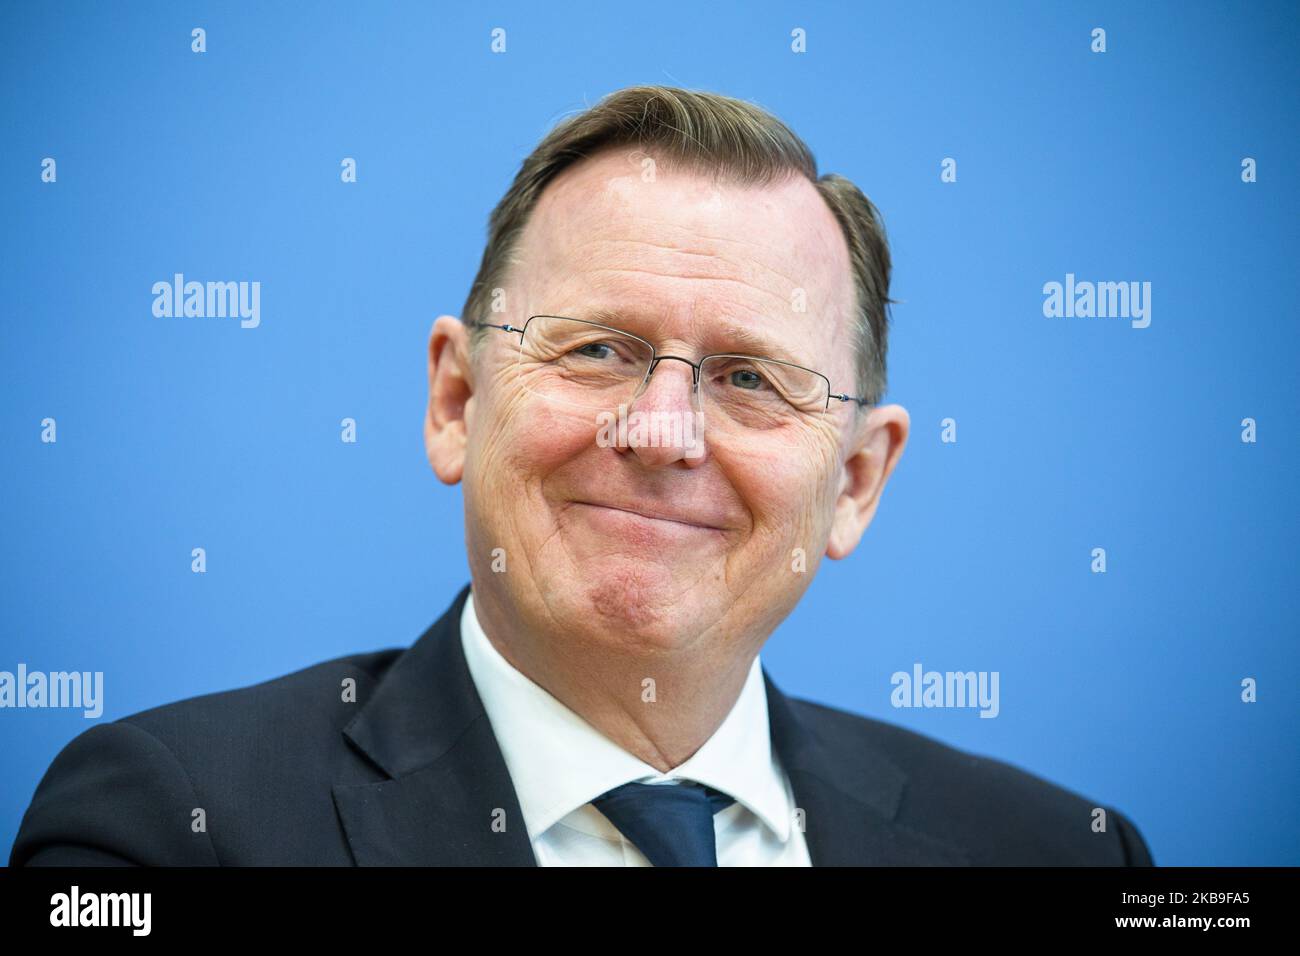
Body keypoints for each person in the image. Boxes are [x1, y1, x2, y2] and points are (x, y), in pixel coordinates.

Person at [10, 85, 1153, 866]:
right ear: (456, 400)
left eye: (751, 376)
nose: (661, 431)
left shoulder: (1058, 851)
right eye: (597, 348)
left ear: (855, 478)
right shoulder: (173, 827)